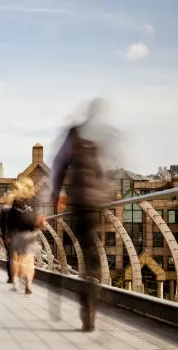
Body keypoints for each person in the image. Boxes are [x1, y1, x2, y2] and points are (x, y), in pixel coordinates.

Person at [50, 98, 109, 332]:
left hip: (80, 203)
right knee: (93, 254)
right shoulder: (101, 137)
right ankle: (93, 290)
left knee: (82, 251)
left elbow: (59, 164)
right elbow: (103, 171)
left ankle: (87, 302)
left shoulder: (74, 134)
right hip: (97, 204)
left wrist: (57, 194)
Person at [6, 177, 43, 294]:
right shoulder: (35, 200)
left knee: (16, 258)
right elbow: (38, 216)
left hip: (17, 233)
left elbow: (10, 220)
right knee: (29, 258)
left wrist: (8, 234)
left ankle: (16, 281)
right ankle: (29, 283)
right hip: (30, 232)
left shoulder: (16, 201)